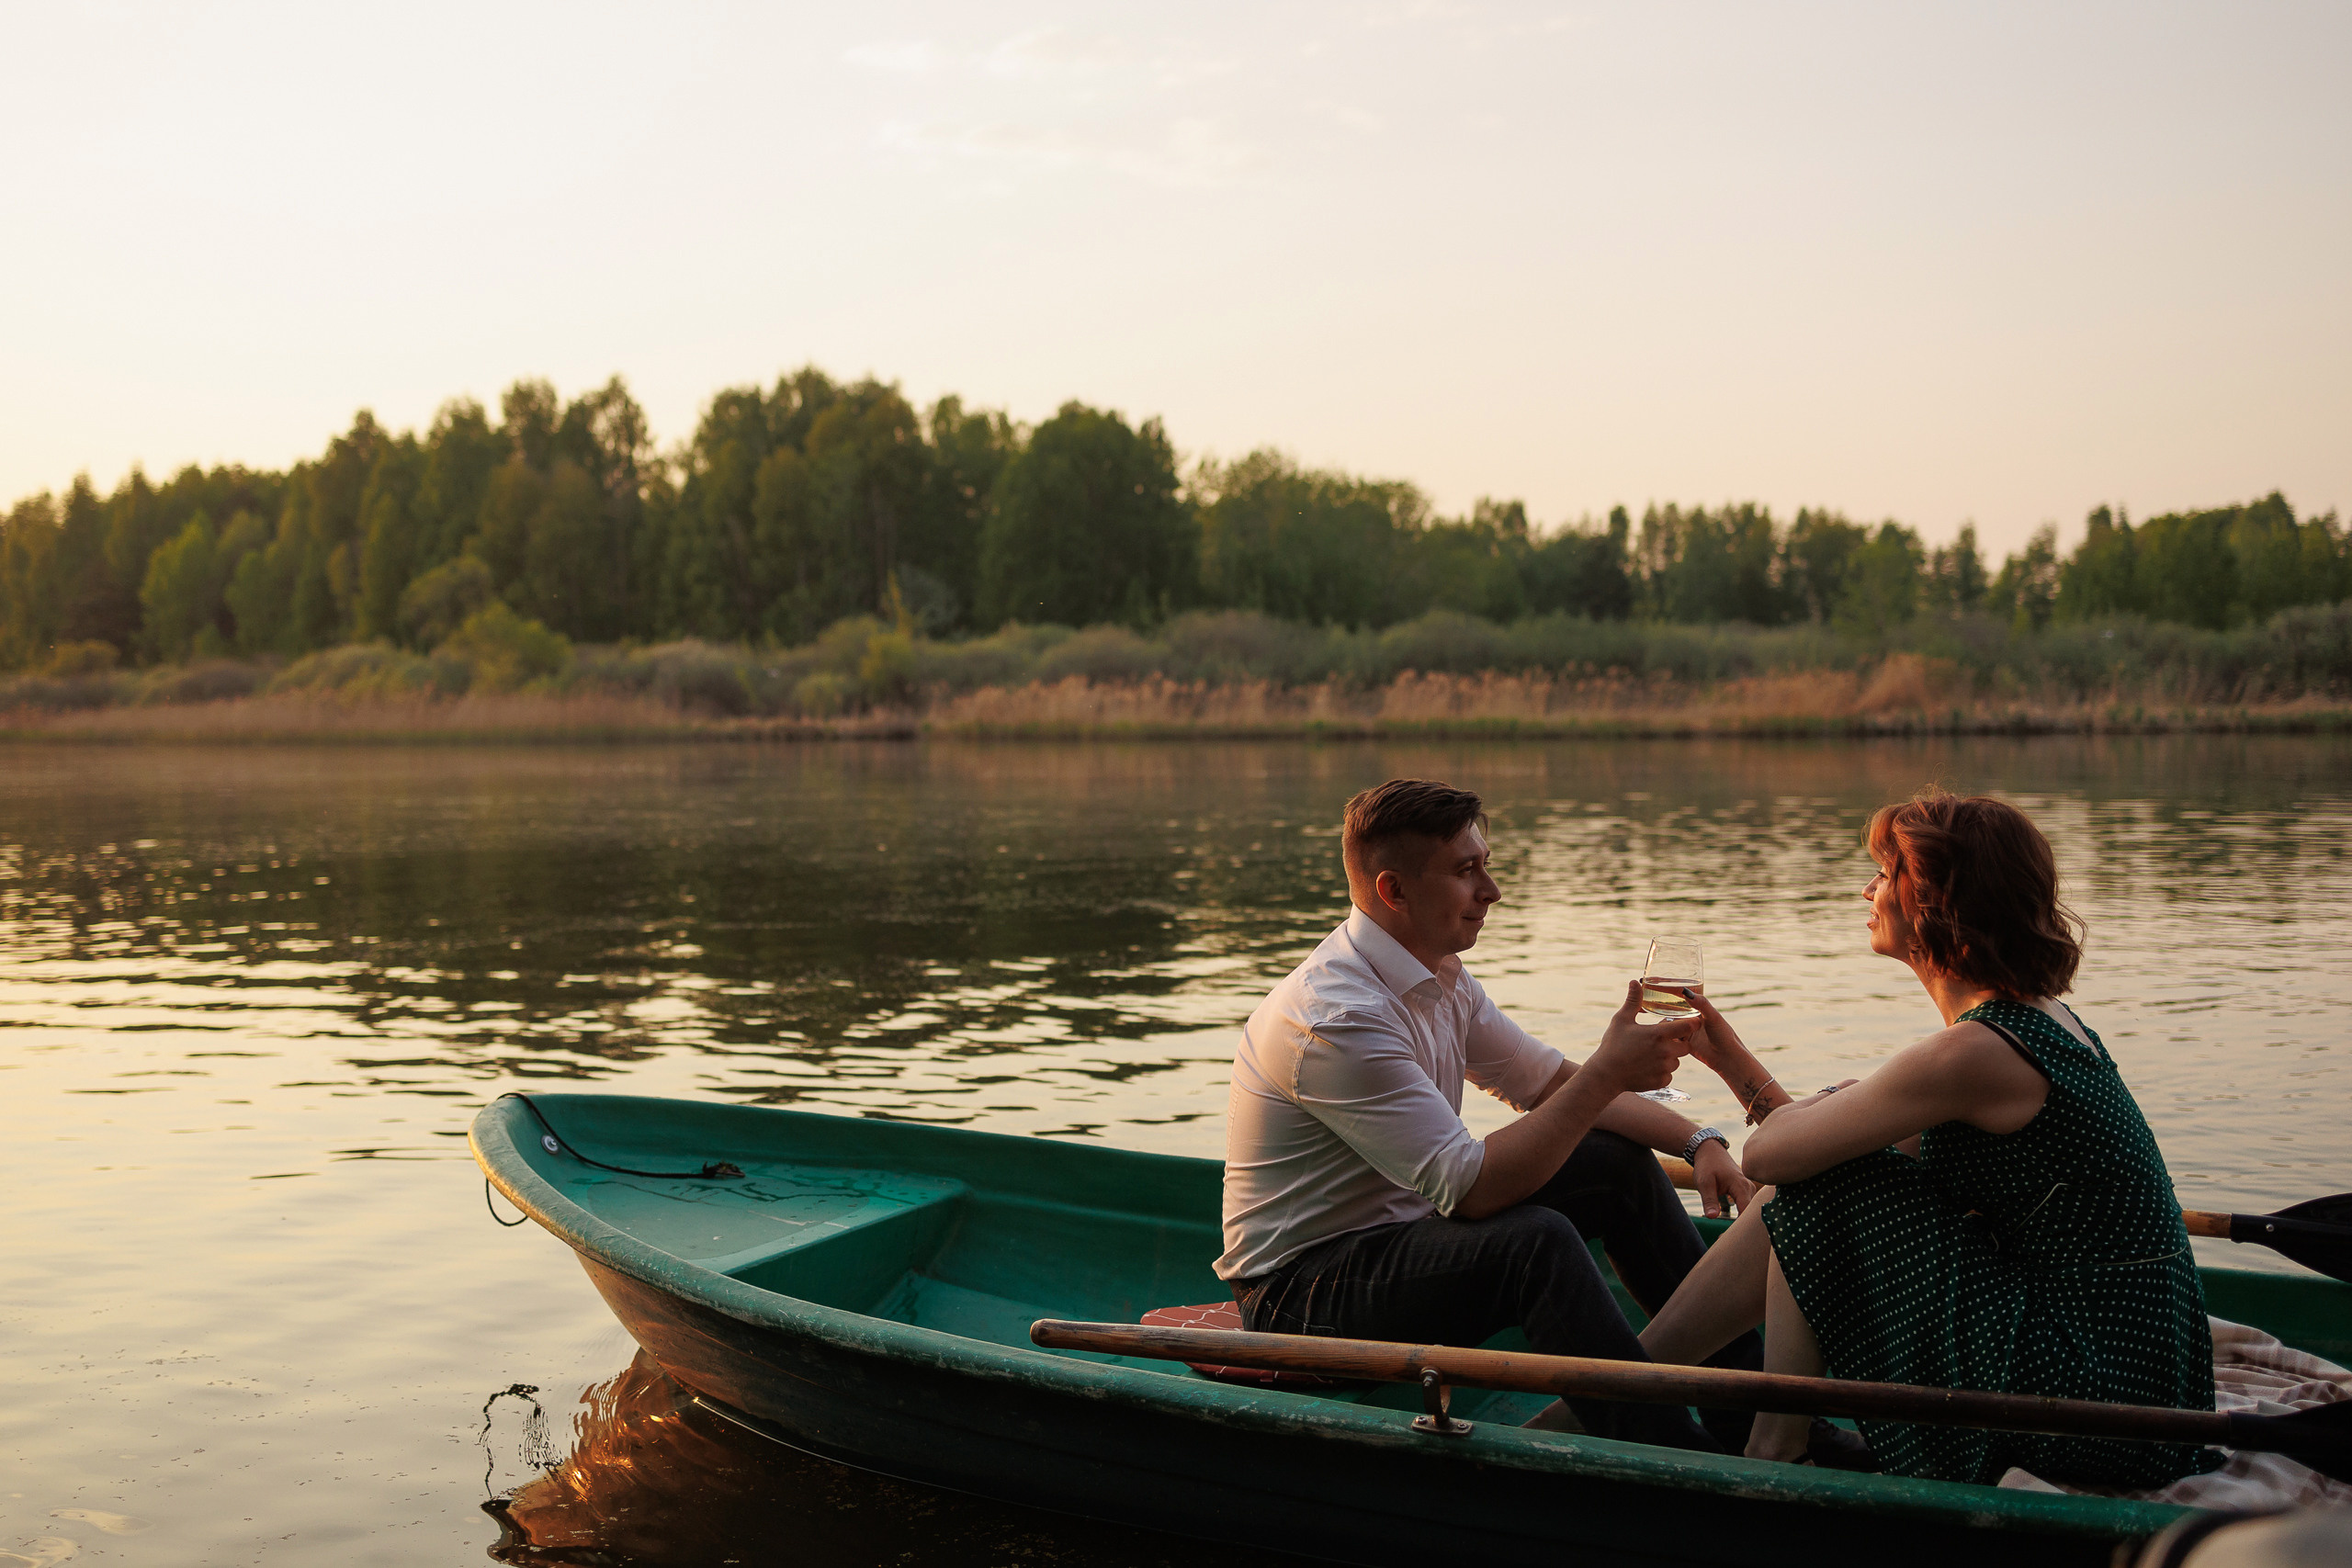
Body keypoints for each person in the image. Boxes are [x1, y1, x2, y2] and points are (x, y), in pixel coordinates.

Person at [1638, 788, 2220, 1486]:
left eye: (1885, 875)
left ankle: (1759, 1449)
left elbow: (1770, 1157)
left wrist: (1839, 1099)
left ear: (1936, 902)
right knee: (1826, 1178)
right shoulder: (2036, 1022)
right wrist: (1732, 1058)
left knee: (1815, 1190)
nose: (1868, 888)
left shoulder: (1974, 1054)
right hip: (2151, 1390)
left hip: (2104, 1408)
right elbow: (1815, 1150)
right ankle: (1625, 1384)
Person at [1216, 777, 1763, 1451]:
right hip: (1299, 1294)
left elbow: (1551, 1082)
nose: (1491, 891)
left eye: (1486, 865)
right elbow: (1474, 1191)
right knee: (1533, 1244)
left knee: (1614, 1164)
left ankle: (1760, 1419)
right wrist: (1607, 1072)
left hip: (1401, 1233)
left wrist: (1699, 1139)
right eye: (1466, 871)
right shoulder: (1336, 1018)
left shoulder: (1438, 974)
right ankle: (1680, 1457)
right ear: (1394, 891)